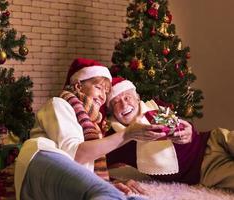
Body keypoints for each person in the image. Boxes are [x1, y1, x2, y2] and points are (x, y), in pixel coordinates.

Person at [15, 58, 161, 200]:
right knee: (107, 193)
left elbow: (85, 168)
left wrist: (109, 183)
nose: (103, 96)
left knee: (111, 192)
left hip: (57, 181)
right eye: (98, 88)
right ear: (78, 86)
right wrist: (127, 134)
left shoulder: (93, 124)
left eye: (105, 91)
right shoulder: (59, 103)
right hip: (40, 159)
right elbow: (76, 155)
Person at [105, 77, 234, 191]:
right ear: (112, 112)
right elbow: (91, 169)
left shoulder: (155, 107)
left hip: (212, 139)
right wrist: (117, 182)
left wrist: (190, 132)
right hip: (206, 168)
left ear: (137, 98)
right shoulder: (117, 138)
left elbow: (182, 127)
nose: (124, 104)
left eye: (127, 97)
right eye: (116, 102)